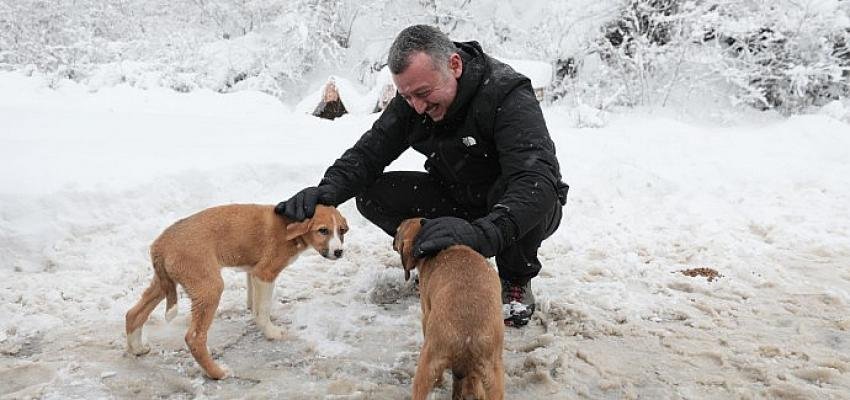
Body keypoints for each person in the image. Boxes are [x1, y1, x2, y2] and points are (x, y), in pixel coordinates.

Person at [276, 25, 568, 327]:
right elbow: (368, 154)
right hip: (456, 195)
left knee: (530, 191)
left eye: (423, 94)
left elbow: (535, 180)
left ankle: (515, 279)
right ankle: (437, 255)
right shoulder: (414, 101)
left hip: (513, 206)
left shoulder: (506, 94)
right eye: (407, 97)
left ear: (454, 65)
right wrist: (325, 193)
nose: (417, 106)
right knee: (372, 193)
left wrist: (482, 236)